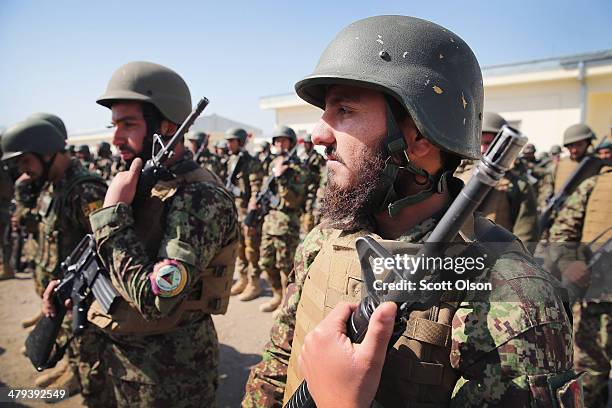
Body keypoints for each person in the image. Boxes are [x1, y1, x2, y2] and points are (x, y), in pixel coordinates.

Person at [243, 15, 578, 407]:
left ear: (417, 136)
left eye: (345, 110)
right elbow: (276, 367)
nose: (318, 135)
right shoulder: (327, 238)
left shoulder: (515, 299)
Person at [44, 60, 239, 406]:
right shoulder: (145, 185)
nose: (115, 138)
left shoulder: (199, 199)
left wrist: (111, 219)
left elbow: (157, 300)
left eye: (128, 125)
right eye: (114, 125)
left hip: (165, 377)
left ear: (166, 126)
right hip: (115, 360)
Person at [2, 117, 109, 401]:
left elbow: (107, 249)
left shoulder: (85, 190)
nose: (22, 170)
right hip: (61, 289)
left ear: (47, 153)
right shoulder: (51, 183)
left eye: (26, 161)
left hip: (80, 295)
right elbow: (35, 228)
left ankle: (81, 378)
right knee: (67, 339)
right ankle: (70, 369)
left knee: (85, 346)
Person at [545, 161, 612, 407]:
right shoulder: (594, 185)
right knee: (589, 381)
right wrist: (570, 264)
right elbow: (562, 233)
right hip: (597, 303)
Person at [455, 112, 539, 245]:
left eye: (488, 143)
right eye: (479, 142)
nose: (483, 149)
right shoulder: (458, 173)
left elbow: (526, 232)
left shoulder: (517, 184)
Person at [257, 126, 304, 313]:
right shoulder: (272, 164)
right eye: (277, 140)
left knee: (286, 267)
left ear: (291, 143)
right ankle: (277, 295)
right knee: (266, 262)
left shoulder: (298, 167)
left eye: (283, 140)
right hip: (269, 222)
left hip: (286, 223)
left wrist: (282, 176)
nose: (279, 144)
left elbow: (293, 200)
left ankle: (286, 303)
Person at [225, 127, 265, 301]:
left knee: (251, 249)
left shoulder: (252, 162)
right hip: (235, 211)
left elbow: (256, 190)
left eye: (231, 141)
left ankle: (254, 283)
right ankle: (242, 279)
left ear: (240, 142)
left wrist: (251, 213)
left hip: (248, 213)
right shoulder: (231, 160)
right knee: (239, 248)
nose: (228, 144)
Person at [299, 134, 325, 236]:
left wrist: (320, 188)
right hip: (303, 190)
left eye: (308, 144)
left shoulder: (317, 158)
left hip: (313, 190)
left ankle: (309, 234)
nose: (306, 146)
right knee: (303, 213)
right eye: (305, 144)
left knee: (311, 213)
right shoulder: (303, 157)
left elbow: (323, 174)